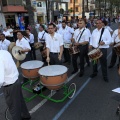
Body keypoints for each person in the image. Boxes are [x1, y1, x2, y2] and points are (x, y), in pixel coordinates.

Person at [0, 50, 31, 120]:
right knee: (20, 101)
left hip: (9, 85)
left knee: (13, 108)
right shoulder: (5, 52)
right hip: (15, 81)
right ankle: (26, 115)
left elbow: (0, 80)